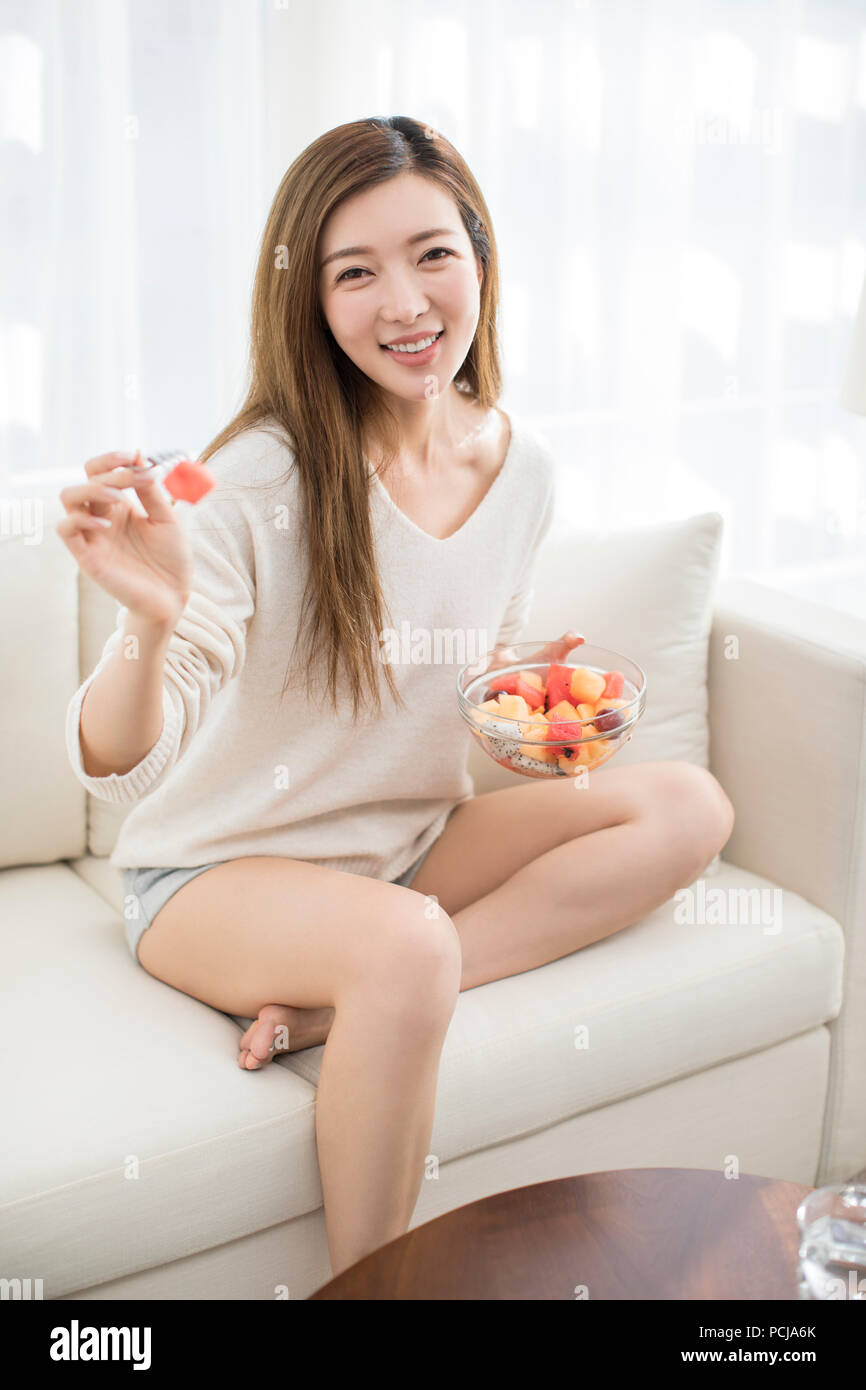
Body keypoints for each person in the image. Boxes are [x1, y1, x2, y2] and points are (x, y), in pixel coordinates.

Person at [57, 116, 734, 1279]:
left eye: (431, 253)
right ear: (310, 301)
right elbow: (121, 762)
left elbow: (444, 680)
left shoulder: (519, 465)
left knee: (686, 807)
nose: (404, 300)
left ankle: (349, 1000)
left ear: (479, 256)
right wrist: (149, 617)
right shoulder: (248, 474)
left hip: (402, 852)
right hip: (215, 876)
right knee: (406, 941)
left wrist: (509, 694)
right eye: (353, 271)